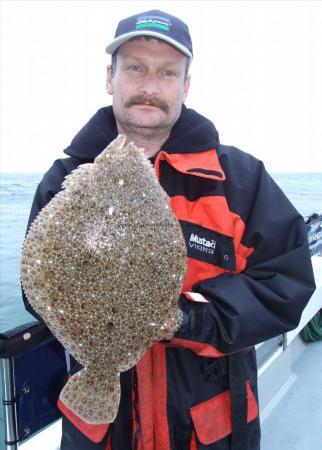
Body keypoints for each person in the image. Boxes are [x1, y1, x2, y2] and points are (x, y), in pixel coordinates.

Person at [23, 9, 316, 450]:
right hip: (103, 436)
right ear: (111, 77)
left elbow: (287, 284)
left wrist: (187, 318)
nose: (150, 85)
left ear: (185, 85)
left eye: (167, 72)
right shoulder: (65, 179)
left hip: (210, 430)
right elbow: (37, 286)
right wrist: (107, 316)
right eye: (136, 67)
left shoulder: (241, 179)